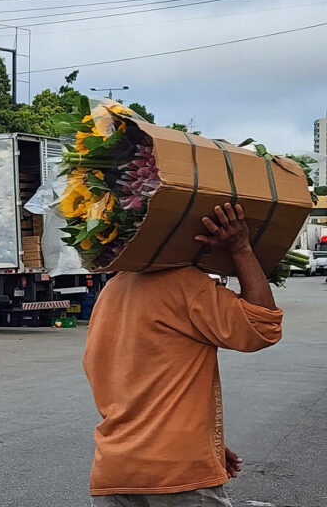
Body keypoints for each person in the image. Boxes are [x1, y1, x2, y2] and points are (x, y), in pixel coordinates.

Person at [85, 203, 282, 506]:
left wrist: (204, 443)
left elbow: (130, 380)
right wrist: (241, 248)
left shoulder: (112, 290)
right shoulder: (185, 284)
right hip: (176, 475)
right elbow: (263, 326)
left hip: (115, 471)